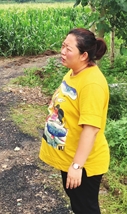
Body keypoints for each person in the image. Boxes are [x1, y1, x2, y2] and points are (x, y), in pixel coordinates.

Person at [39, 28, 110, 214]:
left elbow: (91, 129)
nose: (62, 52)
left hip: (84, 163)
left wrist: (77, 166)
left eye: (68, 49)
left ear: (84, 55)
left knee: (86, 208)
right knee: (79, 206)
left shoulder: (92, 83)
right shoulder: (74, 73)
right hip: (71, 156)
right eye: (63, 46)